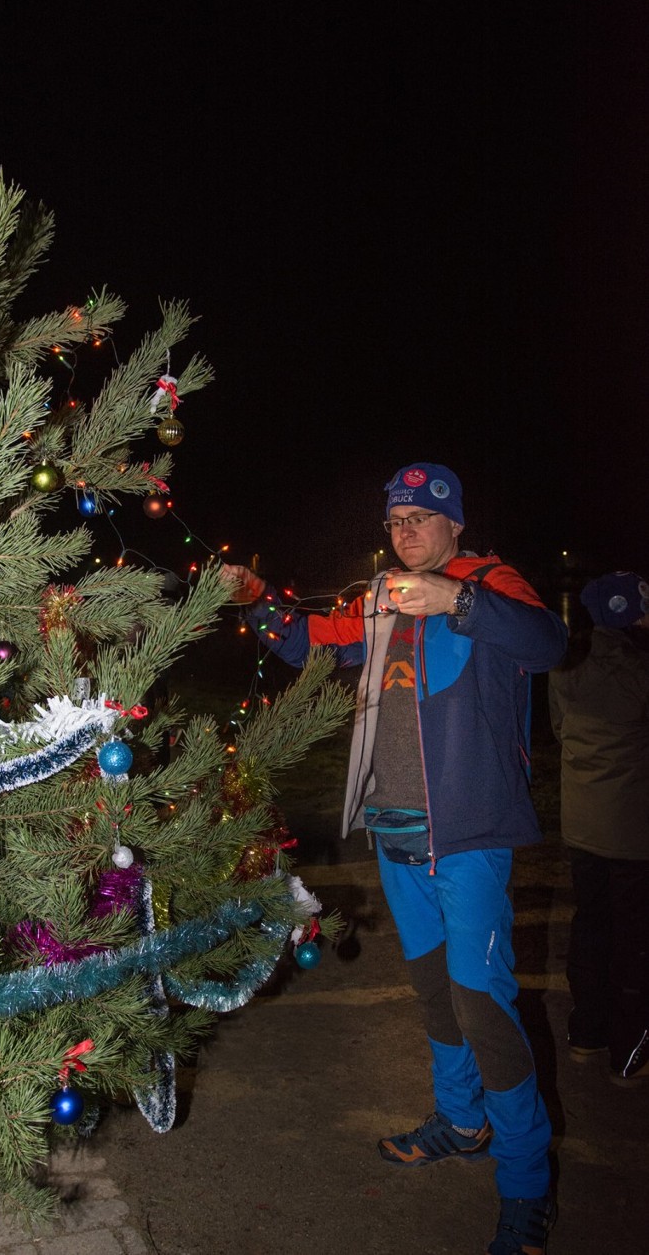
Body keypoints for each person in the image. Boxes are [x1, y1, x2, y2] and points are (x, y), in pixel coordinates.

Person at [222, 462, 567, 1255]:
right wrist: (256, 602)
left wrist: (462, 599)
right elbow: (308, 642)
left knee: (484, 1006)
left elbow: (548, 645)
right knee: (434, 994)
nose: (405, 531)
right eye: (395, 520)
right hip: (394, 829)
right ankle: (460, 1120)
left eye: (420, 516)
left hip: (469, 834)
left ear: (454, 524)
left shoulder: (490, 579)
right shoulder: (380, 597)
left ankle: (526, 1183)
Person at [548, 570, 649, 1084]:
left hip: (582, 827)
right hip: (633, 832)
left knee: (589, 924)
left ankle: (587, 1032)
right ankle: (629, 1047)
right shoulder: (639, 670)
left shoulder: (565, 668)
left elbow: (560, 729)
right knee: (633, 936)